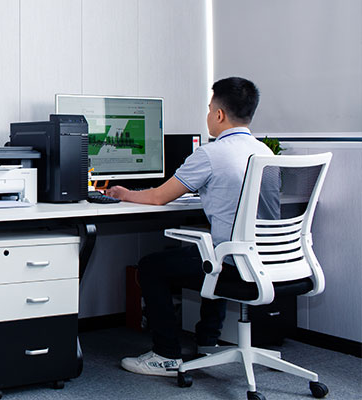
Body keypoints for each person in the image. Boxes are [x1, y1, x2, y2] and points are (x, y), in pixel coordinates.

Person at [106, 76, 274, 377]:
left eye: (209, 109)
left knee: (152, 266)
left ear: (219, 115)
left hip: (235, 262)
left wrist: (124, 194)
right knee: (214, 248)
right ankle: (207, 342)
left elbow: (158, 197)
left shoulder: (211, 154)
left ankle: (165, 355)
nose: (208, 115)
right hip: (270, 259)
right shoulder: (265, 153)